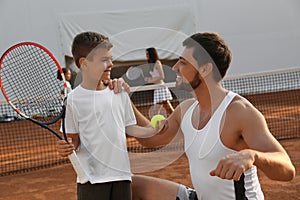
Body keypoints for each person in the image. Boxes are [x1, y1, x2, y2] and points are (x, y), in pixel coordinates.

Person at [132, 32, 296, 200]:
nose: (174, 68)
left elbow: (287, 170)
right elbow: (150, 138)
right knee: (132, 185)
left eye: (182, 62)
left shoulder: (239, 112)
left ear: (205, 69)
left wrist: (252, 155)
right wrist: (124, 102)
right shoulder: (186, 109)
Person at [56, 31, 158, 200]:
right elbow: (73, 138)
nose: (110, 64)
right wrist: (66, 146)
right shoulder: (73, 99)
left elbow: (129, 127)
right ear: (84, 63)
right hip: (92, 179)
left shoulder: (119, 92)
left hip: (122, 176)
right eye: (104, 60)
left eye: (111, 58)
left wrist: (153, 131)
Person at [144, 47, 174, 117]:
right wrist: (149, 79)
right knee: (159, 110)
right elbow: (155, 77)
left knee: (166, 109)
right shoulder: (152, 65)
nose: (146, 56)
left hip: (161, 88)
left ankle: (177, 120)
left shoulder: (157, 63)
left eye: (148, 54)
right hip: (157, 88)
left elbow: (161, 77)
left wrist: (151, 80)